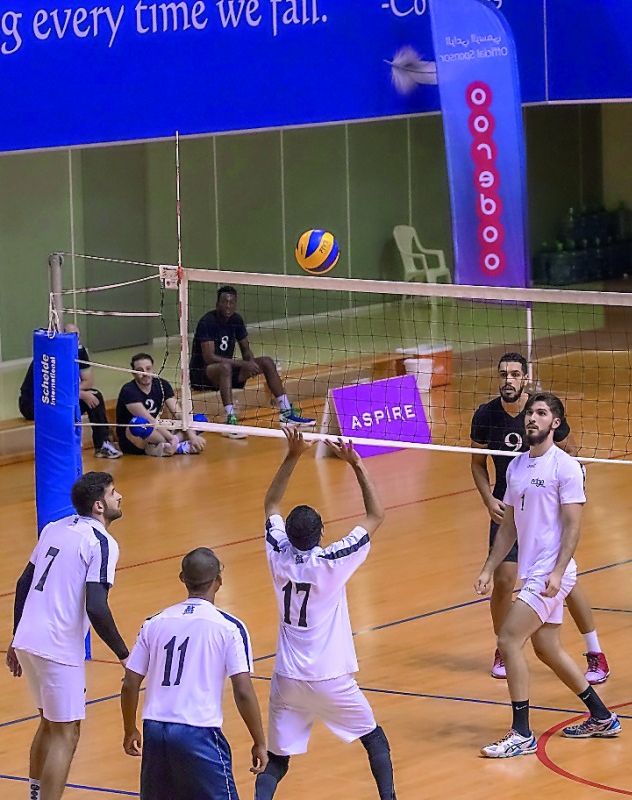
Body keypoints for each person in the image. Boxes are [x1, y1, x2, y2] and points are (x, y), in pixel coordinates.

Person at [475, 393, 620, 758]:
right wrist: (489, 568)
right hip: (533, 571)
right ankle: (601, 716)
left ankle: (521, 733)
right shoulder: (516, 467)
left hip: (551, 572)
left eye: (541, 413)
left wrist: (557, 572)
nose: (532, 419)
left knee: (508, 640)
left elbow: (573, 526)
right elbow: (508, 527)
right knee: (547, 649)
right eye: (529, 413)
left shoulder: (566, 467)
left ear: (555, 423)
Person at [254, 428, 396, 800]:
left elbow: (271, 505)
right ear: (321, 534)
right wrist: (357, 464)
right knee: (374, 740)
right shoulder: (331, 562)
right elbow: (376, 515)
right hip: (330, 678)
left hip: (286, 677)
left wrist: (292, 454)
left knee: (277, 763)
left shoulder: (277, 553)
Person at [470, 353, 610, 684]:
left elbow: (571, 454)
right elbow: (475, 462)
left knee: (565, 582)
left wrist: (568, 492)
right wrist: (488, 497)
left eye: (515, 374)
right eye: (503, 374)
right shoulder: (487, 416)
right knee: (503, 582)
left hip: (545, 510)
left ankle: (594, 651)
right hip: (509, 507)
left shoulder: (543, 414)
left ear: (525, 379)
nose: (508, 380)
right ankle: (504, 647)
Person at [6, 471, 131, 800]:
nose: (120, 497)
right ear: (99, 506)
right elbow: (97, 607)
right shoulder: (102, 542)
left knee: (49, 725)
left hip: (29, 639)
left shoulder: (53, 529)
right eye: (114, 493)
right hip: (58, 646)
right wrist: (125, 655)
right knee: (67, 734)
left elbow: (23, 585)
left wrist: (15, 638)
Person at [120, 547, 267, 800]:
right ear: (218, 581)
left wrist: (130, 728)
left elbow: (130, 683)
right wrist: (259, 741)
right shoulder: (229, 628)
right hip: (198, 732)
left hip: (155, 730)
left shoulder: (155, 622)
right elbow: (243, 691)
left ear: (182, 578)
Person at [189, 285, 313, 437]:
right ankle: (230, 420)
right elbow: (209, 358)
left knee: (266, 362)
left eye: (232, 302)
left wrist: (251, 362)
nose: (228, 305)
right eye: (224, 302)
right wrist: (242, 363)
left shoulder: (236, 320)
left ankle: (286, 412)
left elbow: (246, 350)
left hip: (227, 373)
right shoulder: (207, 322)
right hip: (203, 375)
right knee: (225, 367)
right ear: (217, 304)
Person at [19, 323, 122, 460]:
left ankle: (102, 445)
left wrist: (75, 393)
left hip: (59, 398)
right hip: (34, 402)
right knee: (70, 402)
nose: (75, 341)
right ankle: (63, 446)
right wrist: (80, 394)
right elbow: (53, 390)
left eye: (77, 337)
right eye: (70, 336)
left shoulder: (79, 352)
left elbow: (88, 381)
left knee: (95, 397)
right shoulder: (50, 356)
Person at [115, 352, 206, 457]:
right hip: (136, 438)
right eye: (140, 370)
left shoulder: (162, 384)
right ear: (133, 373)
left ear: (153, 369)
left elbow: (178, 413)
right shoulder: (128, 391)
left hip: (159, 431)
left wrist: (192, 436)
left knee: (200, 420)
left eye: (148, 369)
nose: (145, 373)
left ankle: (170, 446)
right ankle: (177, 446)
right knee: (139, 423)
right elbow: (149, 420)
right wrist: (171, 438)